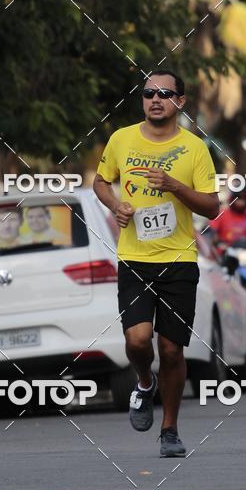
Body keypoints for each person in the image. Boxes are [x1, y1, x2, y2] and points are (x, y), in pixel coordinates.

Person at [93, 69, 219, 458]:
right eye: (148, 93)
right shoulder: (121, 139)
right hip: (135, 259)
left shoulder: (195, 148)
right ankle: (144, 383)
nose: (155, 99)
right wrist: (116, 205)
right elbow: (100, 181)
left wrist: (175, 187)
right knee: (137, 340)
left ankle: (169, 429)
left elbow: (213, 207)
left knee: (172, 350)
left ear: (180, 101)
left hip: (179, 260)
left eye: (165, 93)